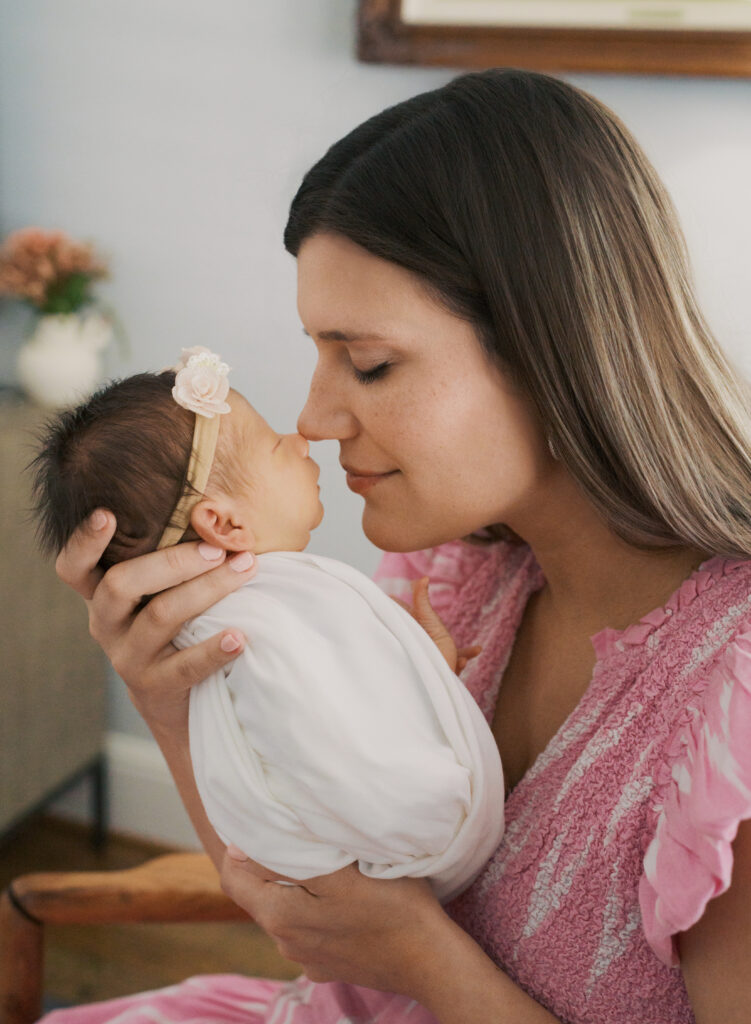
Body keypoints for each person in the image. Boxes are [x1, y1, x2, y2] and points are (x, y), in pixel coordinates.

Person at [45, 68, 751, 1024]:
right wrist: (173, 697)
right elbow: (308, 913)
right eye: (319, 352)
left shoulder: (728, 718)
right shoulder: (453, 577)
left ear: (553, 346)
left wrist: (429, 960)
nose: (313, 414)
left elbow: (384, 944)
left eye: (368, 362)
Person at [31, 349, 501, 900]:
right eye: (279, 446)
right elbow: (342, 760)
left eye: (370, 361)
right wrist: (425, 746)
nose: (304, 437)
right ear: (225, 524)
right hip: (422, 832)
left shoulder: (268, 607)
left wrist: (417, 682)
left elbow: (327, 722)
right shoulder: (252, 626)